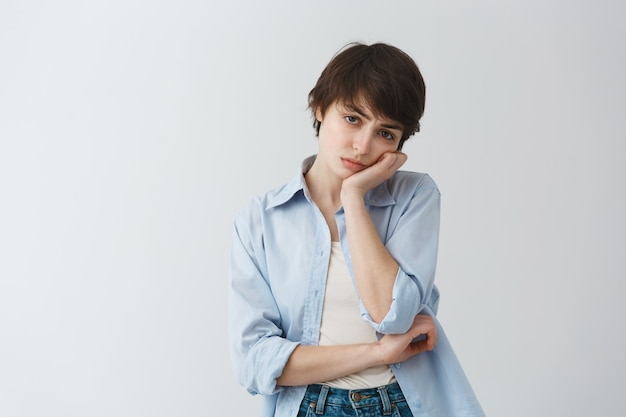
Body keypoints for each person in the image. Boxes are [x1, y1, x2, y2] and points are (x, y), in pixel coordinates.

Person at [229, 42, 485, 417]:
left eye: (386, 133)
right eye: (352, 118)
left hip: (400, 404)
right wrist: (377, 353)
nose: (363, 146)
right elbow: (254, 361)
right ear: (320, 107)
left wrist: (353, 197)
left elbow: (391, 315)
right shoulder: (262, 219)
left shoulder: (415, 196)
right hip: (308, 406)